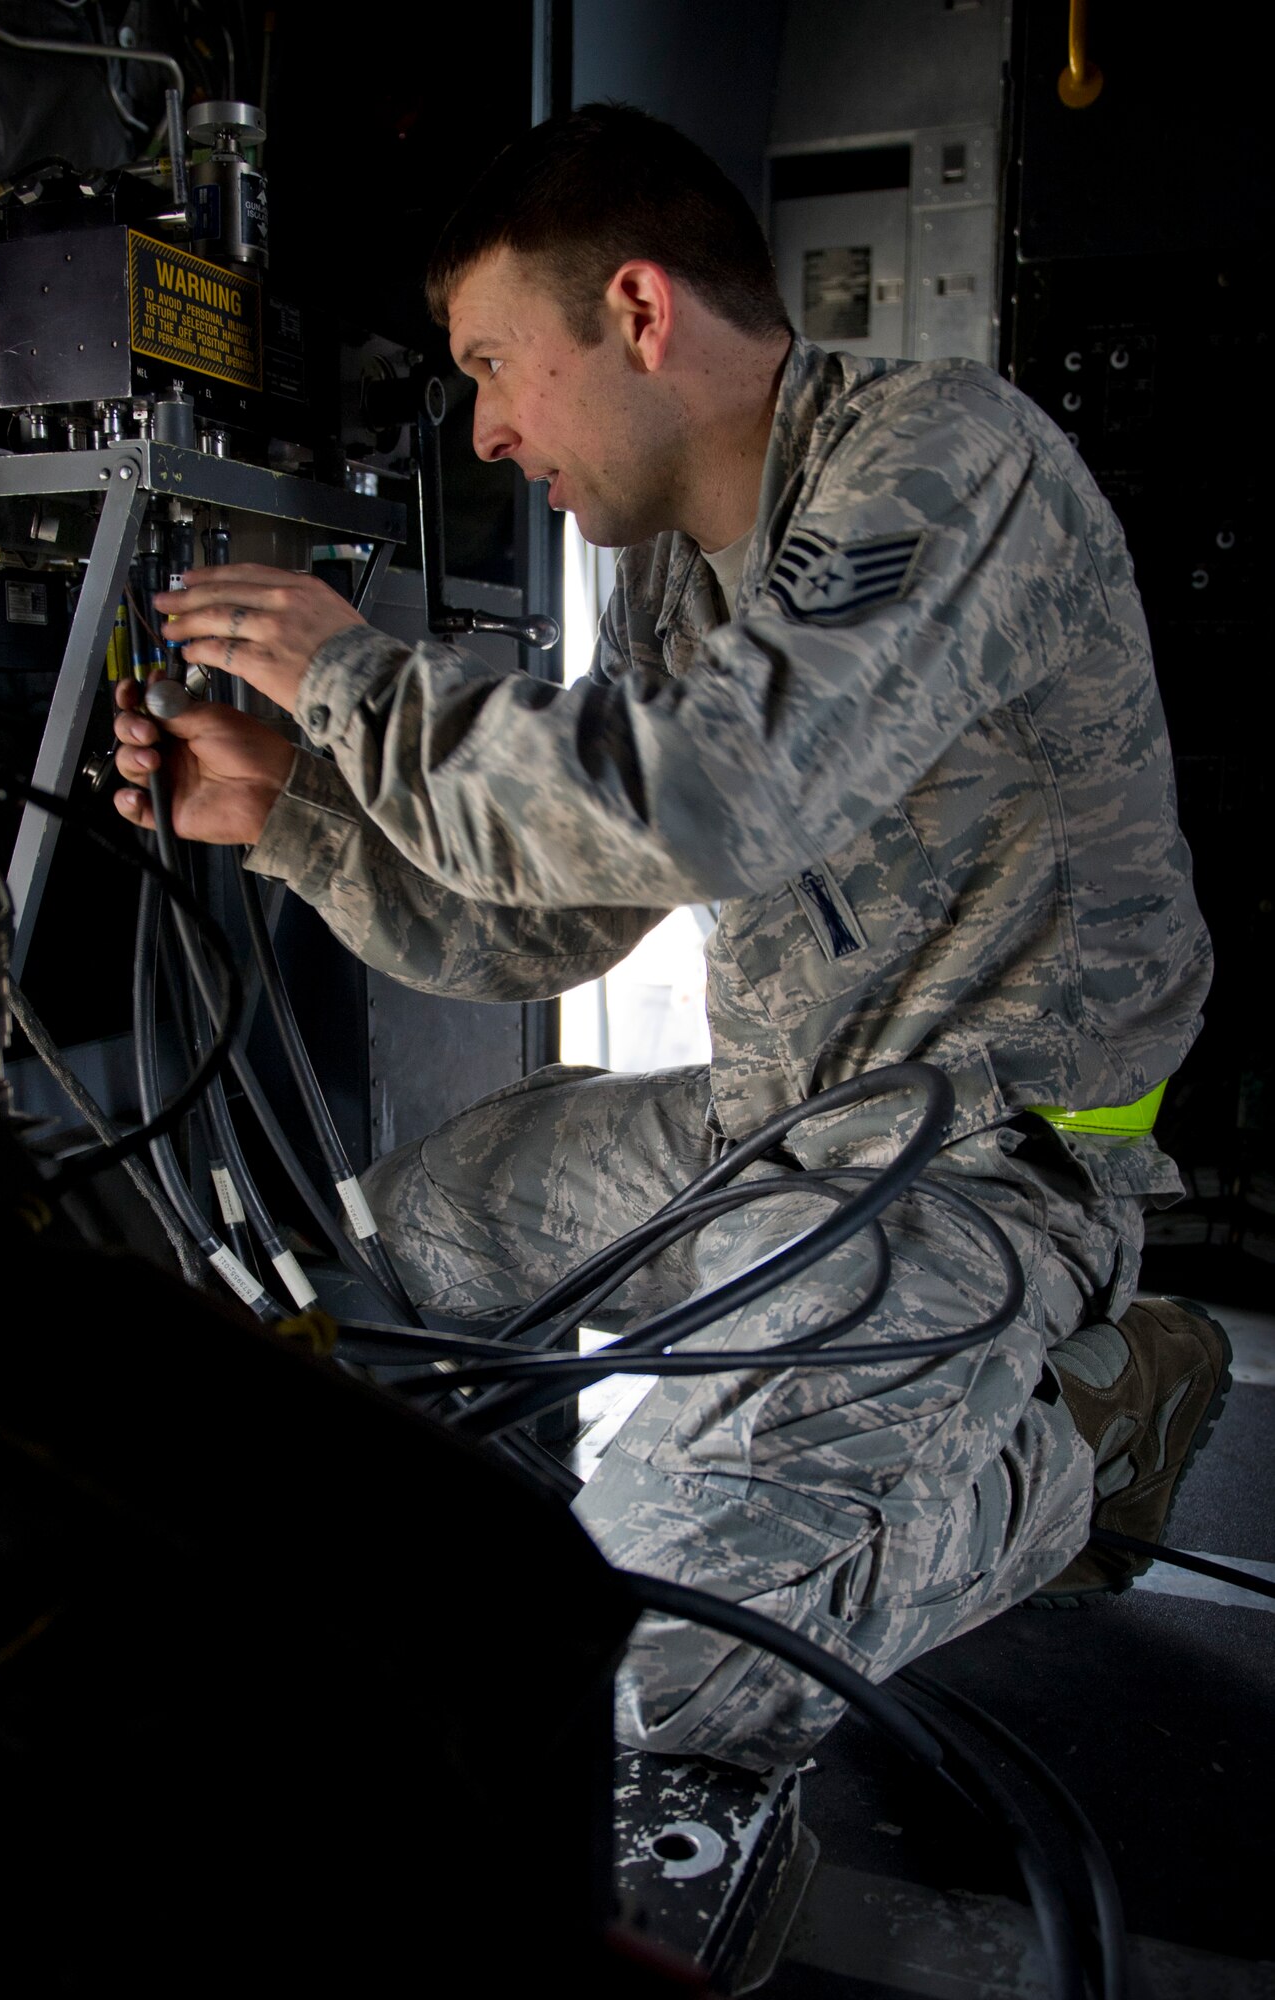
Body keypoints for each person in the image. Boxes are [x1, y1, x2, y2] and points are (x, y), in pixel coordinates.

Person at [112, 105, 1225, 1767]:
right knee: (378, 1264)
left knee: (669, 1668)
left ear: (637, 313)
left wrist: (352, 682)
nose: (483, 430)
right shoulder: (681, 579)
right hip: (775, 1124)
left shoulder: (951, 455)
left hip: (995, 1157)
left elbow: (717, 797)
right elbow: (552, 924)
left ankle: (1085, 1424)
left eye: (494, 364)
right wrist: (293, 821)